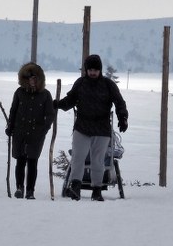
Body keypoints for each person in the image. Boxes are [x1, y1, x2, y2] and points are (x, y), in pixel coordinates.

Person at [54, 54, 128, 202]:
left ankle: (96, 190)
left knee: (98, 160)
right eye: (90, 70)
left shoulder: (108, 85)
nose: (93, 72)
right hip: (82, 127)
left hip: (102, 129)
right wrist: (58, 104)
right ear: (86, 70)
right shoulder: (80, 83)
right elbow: (70, 100)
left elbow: (119, 102)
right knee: (77, 158)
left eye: (96, 70)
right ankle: (75, 187)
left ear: (100, 70)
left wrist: (123, 118)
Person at [6, 62, 55, 199]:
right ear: (24, 79)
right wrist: (10, 127)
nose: (32, 81)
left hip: (36, 134)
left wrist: (43, 130)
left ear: (39, 79)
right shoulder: (19, 93)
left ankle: (30, 191)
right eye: (29, 78)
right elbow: (13, 111)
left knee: (32, 162)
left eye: (34, 78)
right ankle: (19, 188)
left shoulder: (45, 95)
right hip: (20, 132)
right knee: (20, 161)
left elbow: (50, 114)